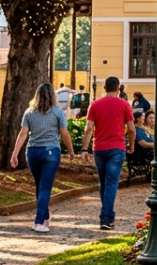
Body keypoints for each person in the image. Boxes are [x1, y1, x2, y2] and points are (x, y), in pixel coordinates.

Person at [8, 83, 75, 233]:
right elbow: (64, 133)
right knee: (45, 187)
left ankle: (44, 216)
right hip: (51, 152)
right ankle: (39, 222)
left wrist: (15, 153)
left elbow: (23, 134)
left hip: (32, 152)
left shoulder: (29, 112)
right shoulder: (58, 112)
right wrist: (71, 150)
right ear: (52, 95)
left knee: (40, 185)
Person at [81, 76, 135, 230]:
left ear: (104, 88)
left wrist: (84, 149)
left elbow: (89, 129)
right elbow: (131, 129)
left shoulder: (95, 105)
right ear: (119, 88)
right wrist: (131, 145)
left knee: (103, 182)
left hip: (99, 148)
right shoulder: (124, 105)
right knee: (111, 182)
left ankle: (107, 215)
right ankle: (106, 218)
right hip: (117, 148)